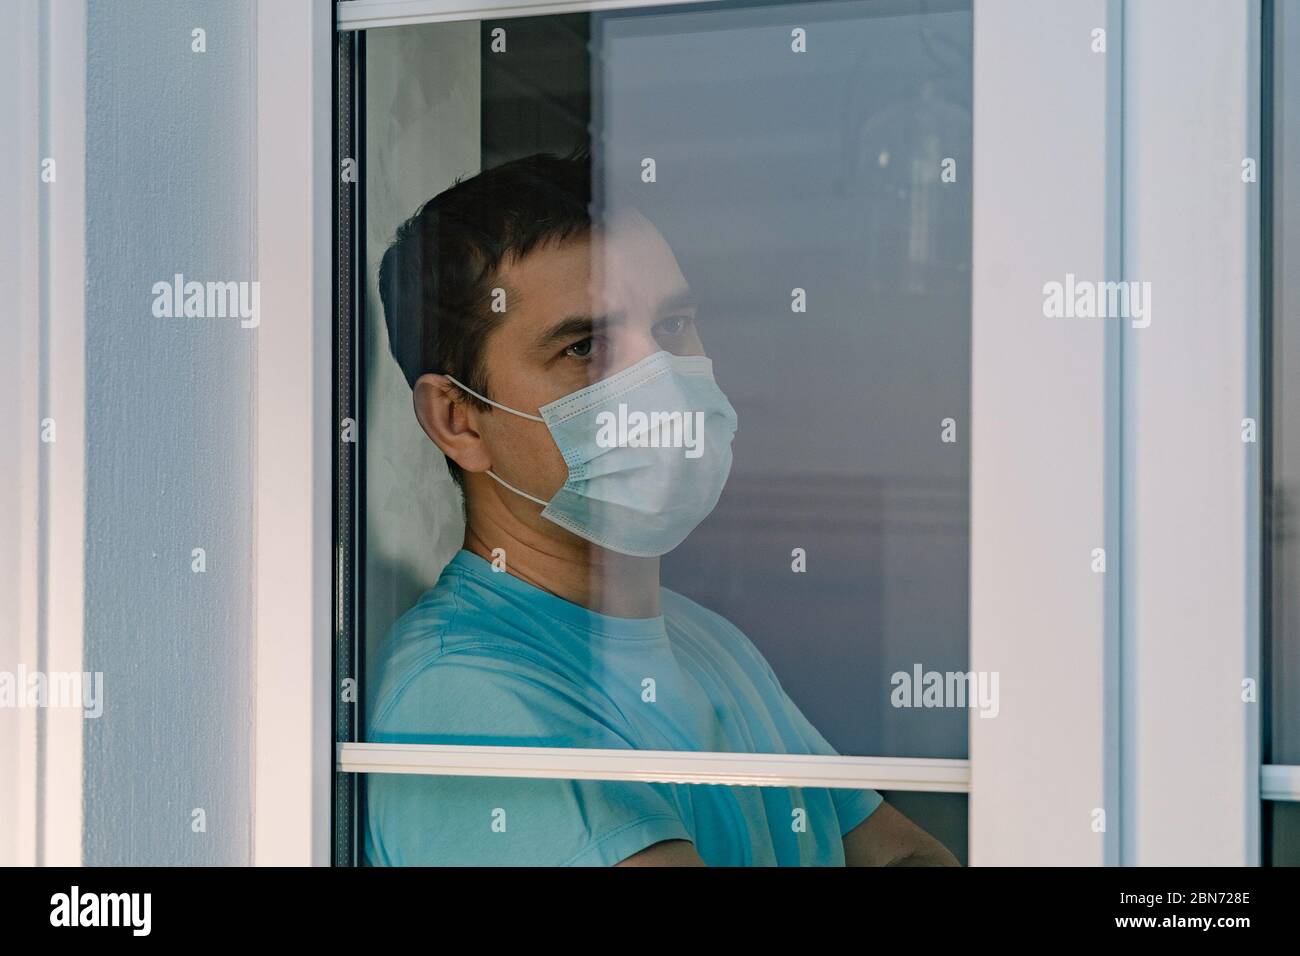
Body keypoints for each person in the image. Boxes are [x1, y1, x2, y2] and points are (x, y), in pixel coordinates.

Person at [365, 146, 958, 866]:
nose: (664, 389)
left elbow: (903, 859)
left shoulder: (706, 640)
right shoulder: (464, 700)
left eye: (673, 327)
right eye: (586, 346)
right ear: (460, 420)